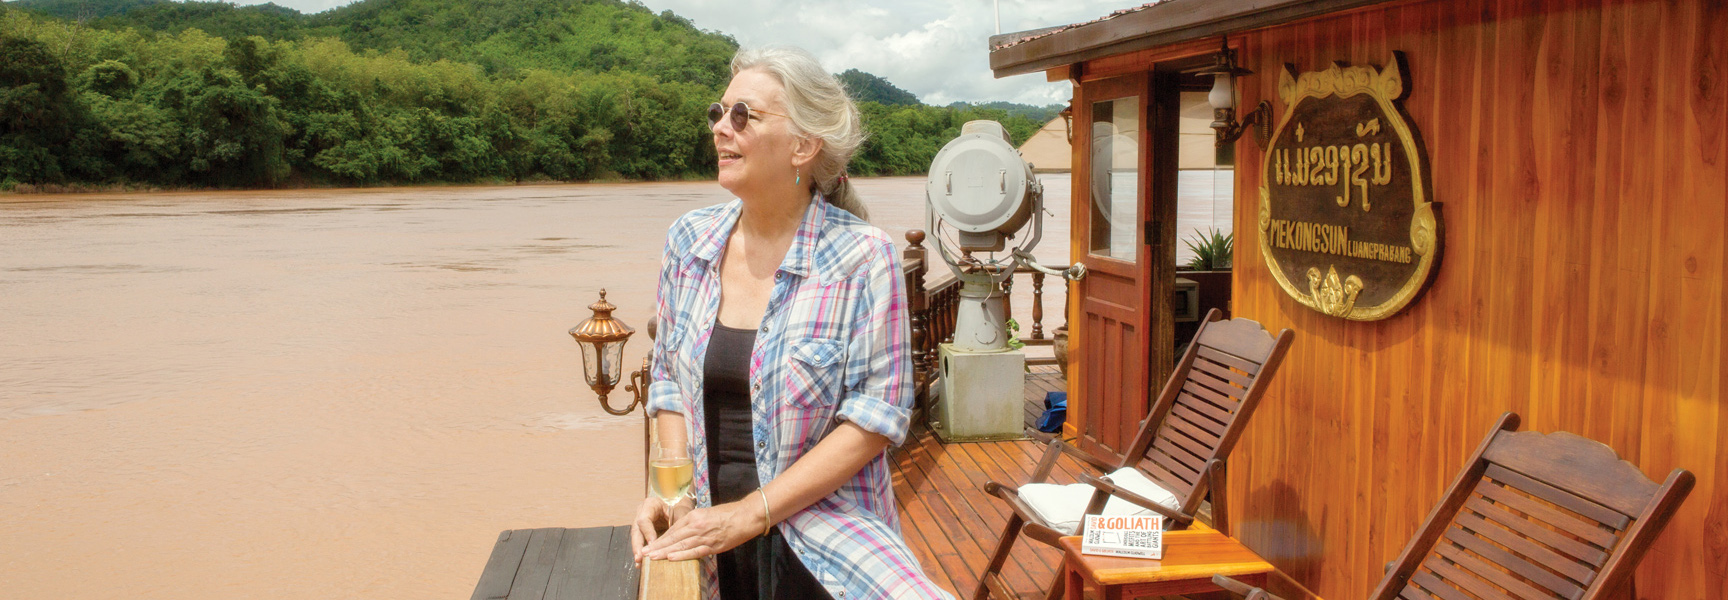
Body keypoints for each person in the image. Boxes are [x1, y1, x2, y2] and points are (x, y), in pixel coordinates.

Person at [629, 46, 951, 600]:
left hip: (823, 525)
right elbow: (666, 385)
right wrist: (673, 495)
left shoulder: (860, 256)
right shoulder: (690, 242)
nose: (720, 130)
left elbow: (876, 418)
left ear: (803, 146)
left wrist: (753, 514)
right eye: (717, 113)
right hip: (707, 526)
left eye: (742, 115)